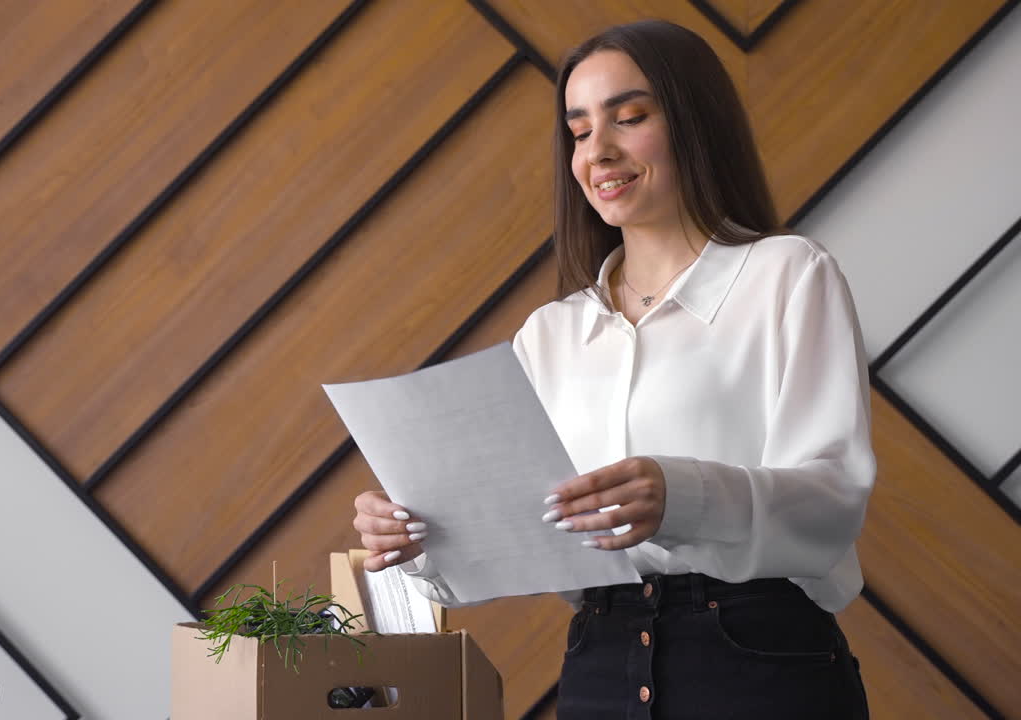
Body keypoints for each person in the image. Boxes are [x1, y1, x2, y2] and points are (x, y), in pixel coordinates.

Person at [350, 19, 874, 720]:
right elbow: (521, 534)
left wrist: (681, 494)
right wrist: (416, 537)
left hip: (760, 656)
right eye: (579, 130)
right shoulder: (551, 334)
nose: (598, 150)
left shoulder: (788, 275)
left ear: (694, 124)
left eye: (628, 118)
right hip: (601, 659)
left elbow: (834, 500)